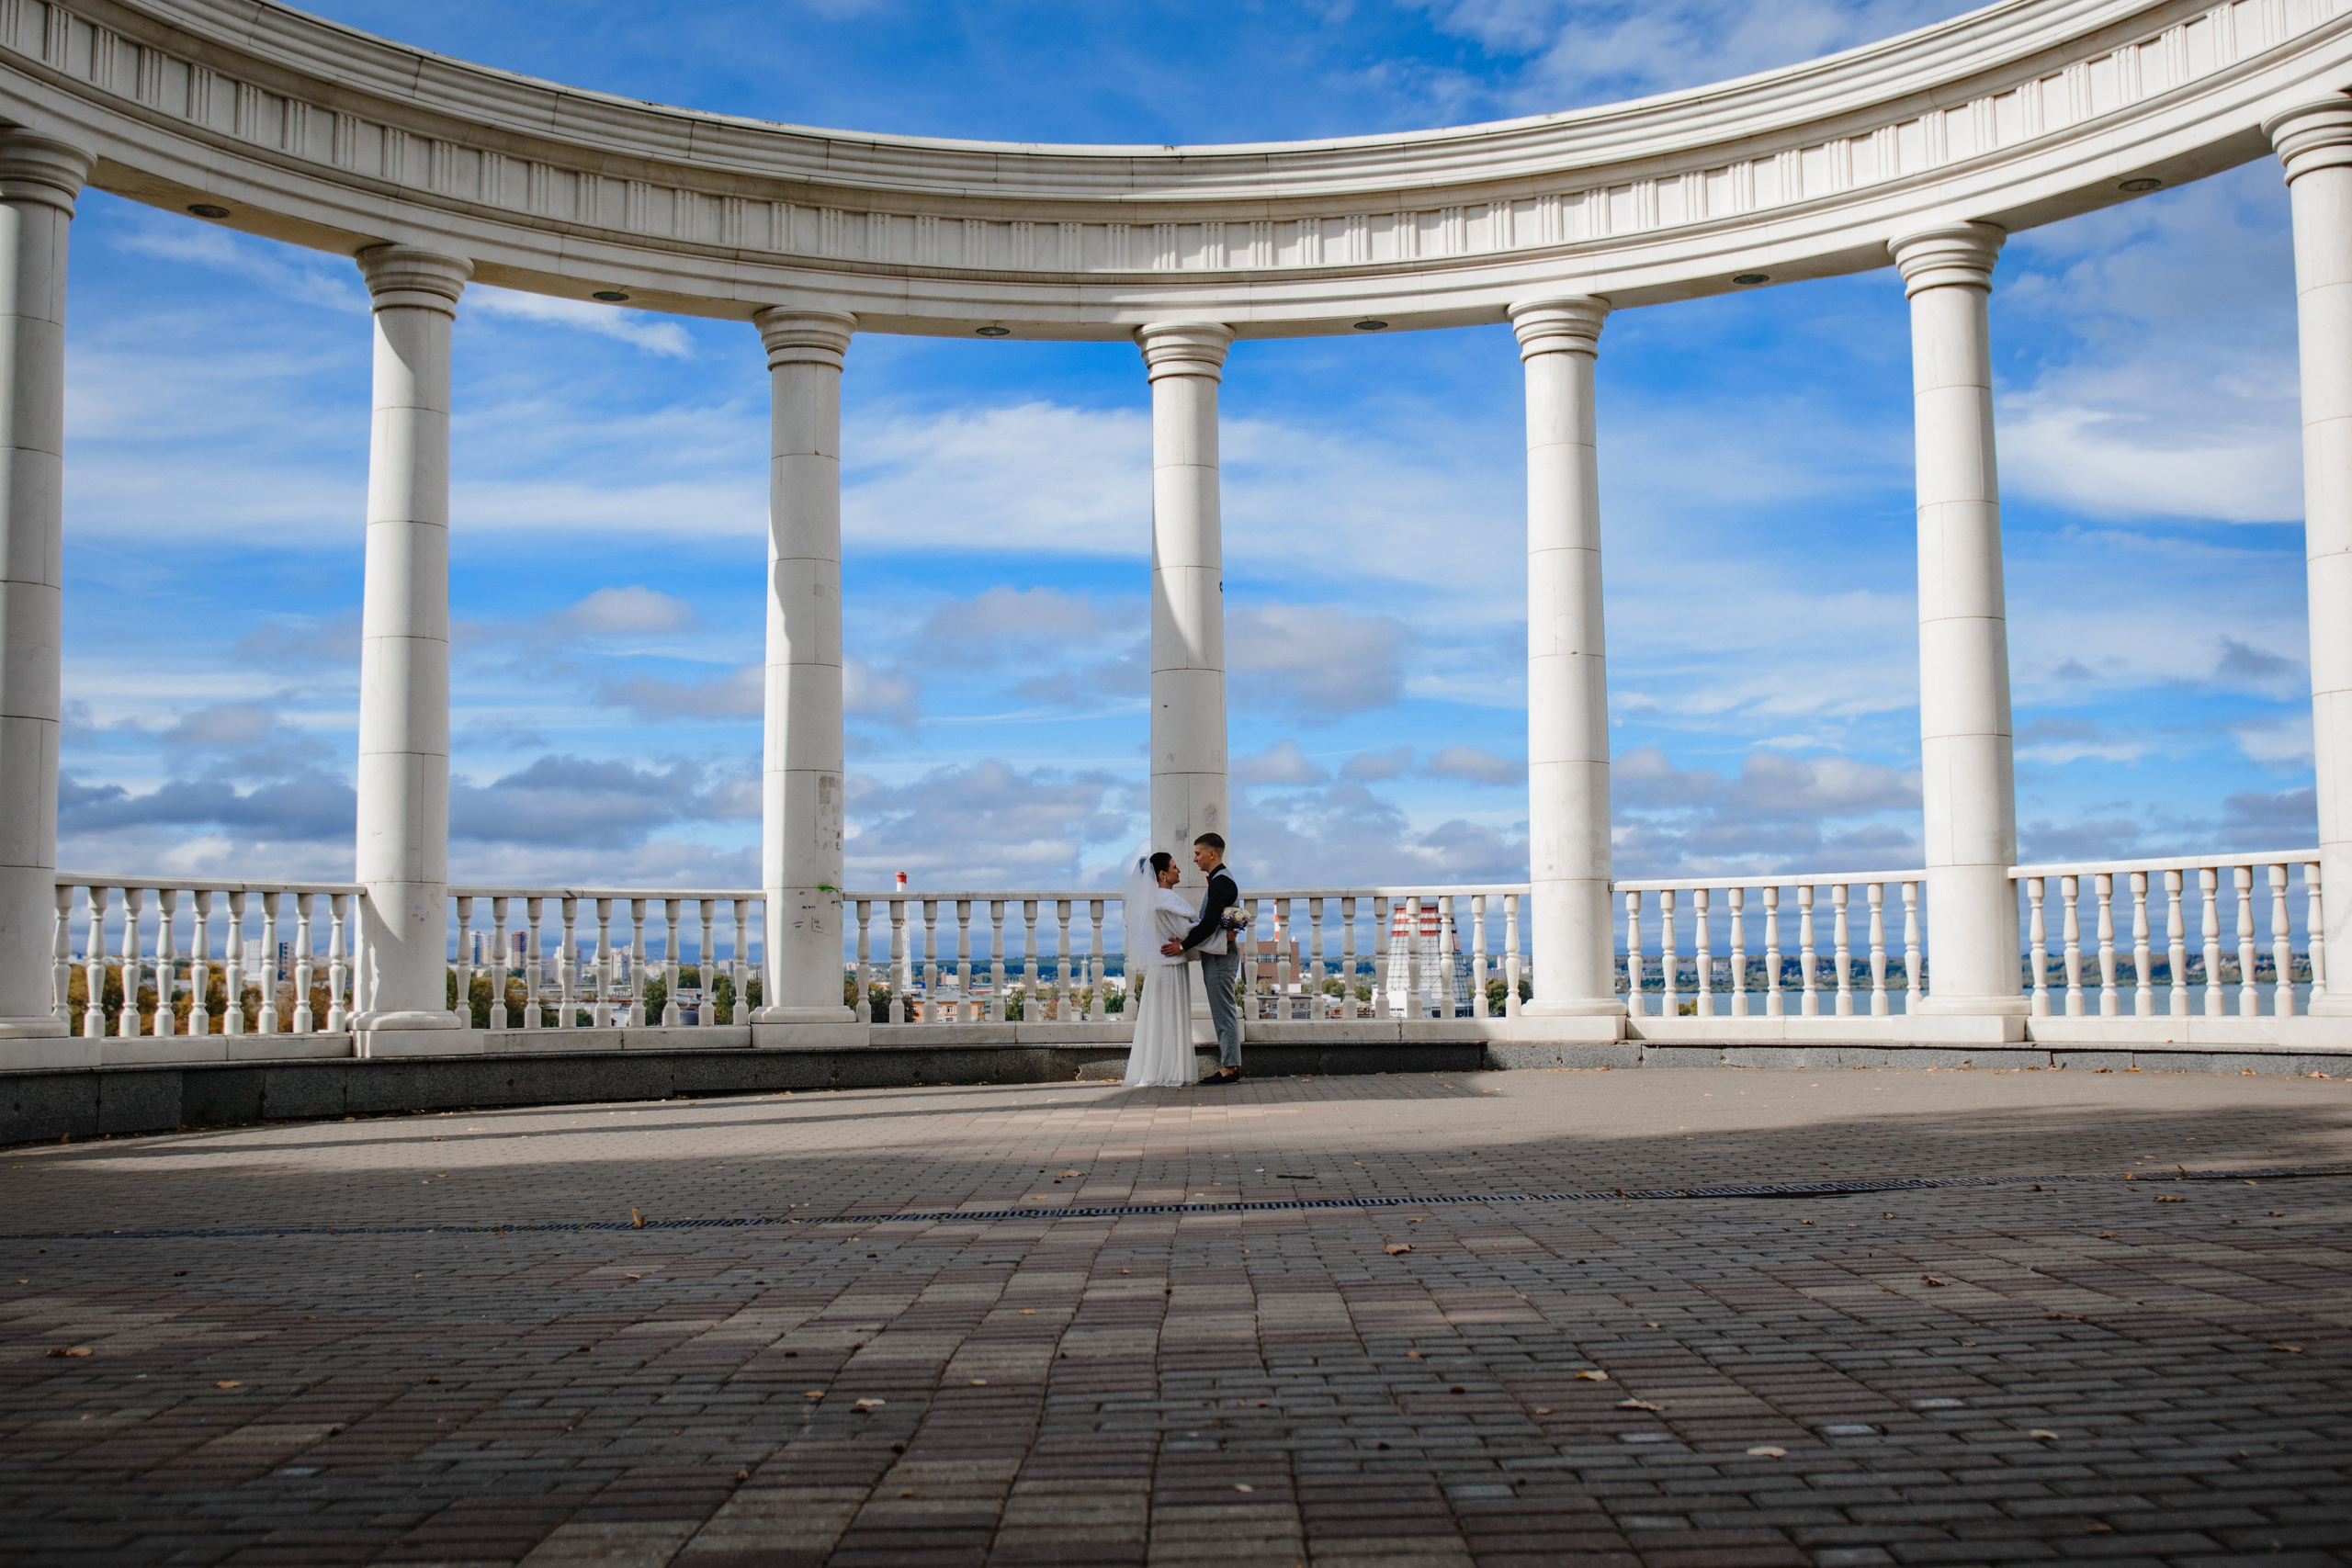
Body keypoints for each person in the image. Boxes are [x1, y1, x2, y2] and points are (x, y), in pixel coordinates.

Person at [1163, 832, 1242, 1085]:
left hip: (1221, 957)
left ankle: (1229, 1068)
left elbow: (1208, 923)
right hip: (1219, 953)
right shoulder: (1220, 881)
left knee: (1223, 1011)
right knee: (1222, 1009)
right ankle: (1229, 1064)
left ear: (1212, 854)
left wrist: (1183, 946)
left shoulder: (1221, 882)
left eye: (1197, 853)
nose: (1194, 859)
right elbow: (1218, 922)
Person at [1119, 851, 1198, 1088]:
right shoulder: (1169, 902)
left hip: (1156, 967)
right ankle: (1173, 1069)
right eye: (1174, 867)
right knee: (1172, 1019)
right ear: (1162, 875)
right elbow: (1187, 932)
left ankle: (1151, 1069)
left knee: (1154, 1021)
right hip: (1172, 967)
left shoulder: (1147, 902)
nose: (1179, 870)